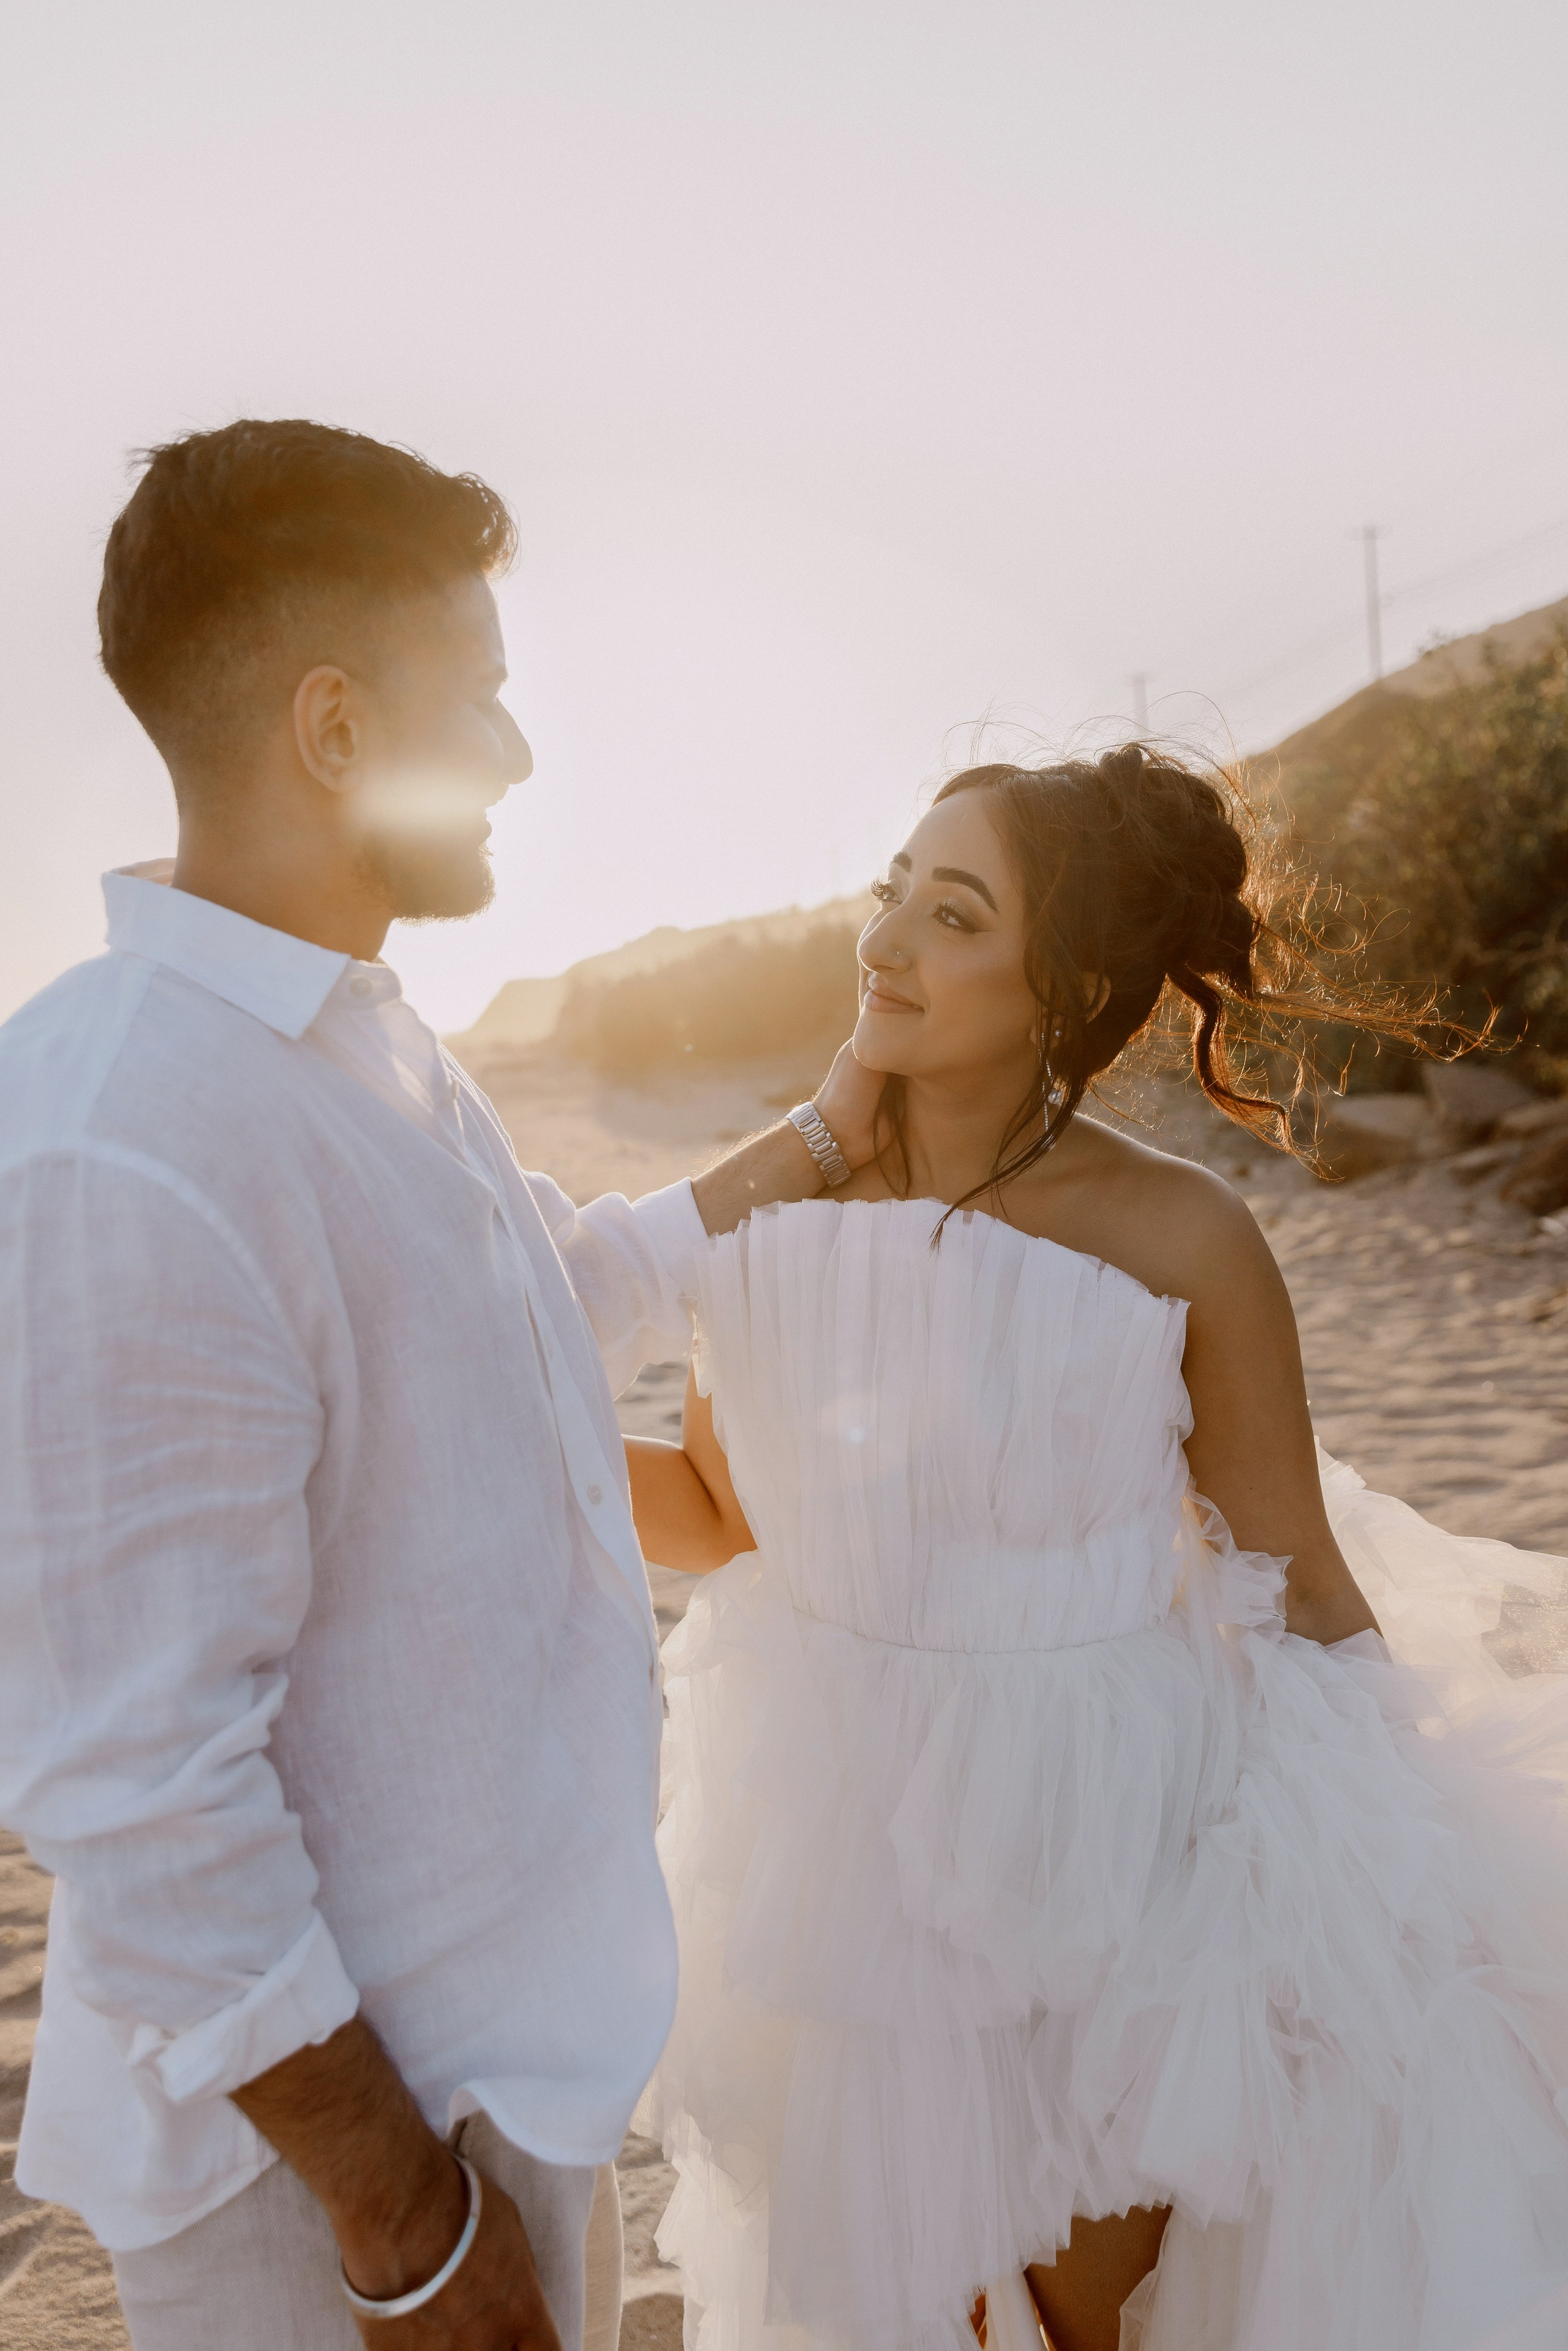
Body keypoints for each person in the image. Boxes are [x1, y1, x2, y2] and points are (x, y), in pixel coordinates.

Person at [0, 418, 873, 2351]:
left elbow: (529, 1296)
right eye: (476, 699)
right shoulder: (124, 1131)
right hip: (323, 2185)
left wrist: (814, 1145)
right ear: (333, 730)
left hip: (506, 2077)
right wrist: (401, 2223)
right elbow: (136, 1776)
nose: (516, 754)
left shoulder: (358, 1039)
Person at [624, 749, 1568, 2351]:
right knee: (895, 2292)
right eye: (890, 895)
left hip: (1116, 1838)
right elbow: (720, 1518)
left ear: (1058, 985)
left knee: (1073, 2296)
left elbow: (1297, 1572)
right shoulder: (780, 1206)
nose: (888, 943)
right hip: (837, 1830)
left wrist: (1397, 1869)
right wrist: (521, 1438)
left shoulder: (1182, 1232)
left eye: (954, 913)